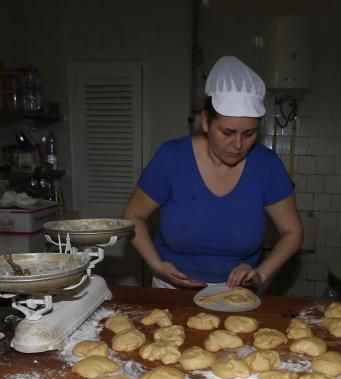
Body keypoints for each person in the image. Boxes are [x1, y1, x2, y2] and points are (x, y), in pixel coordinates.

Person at [122, 56, 304, 289]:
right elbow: (132, 216)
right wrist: (156, 264)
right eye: (227, 132)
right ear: (206, 121)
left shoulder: (266, 167)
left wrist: (261, 273)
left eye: (249, 134)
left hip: (236, 294)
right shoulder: (172, 158)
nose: (238, 144)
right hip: (172, 289)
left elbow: (292, 232)